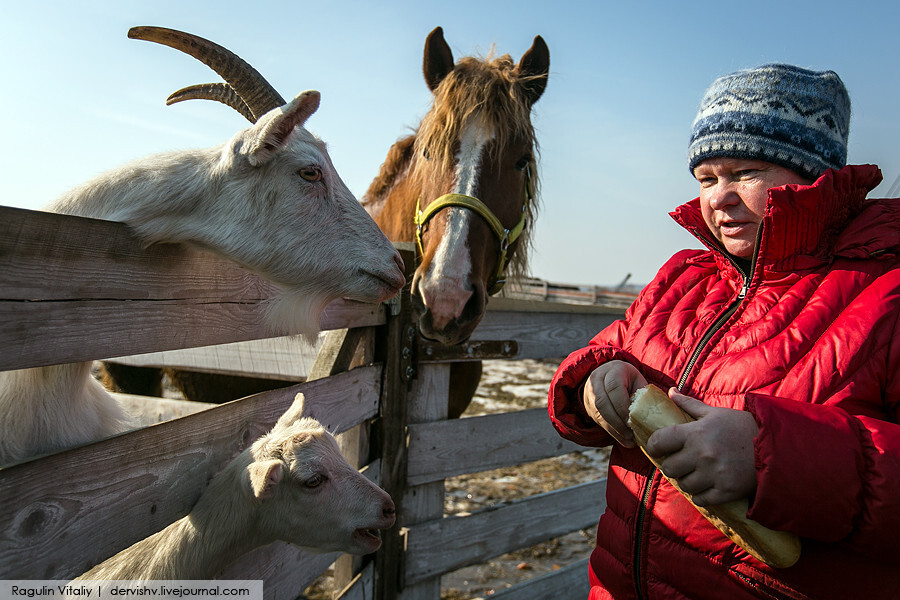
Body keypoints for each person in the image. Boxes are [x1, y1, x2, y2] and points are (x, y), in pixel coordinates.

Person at [548, 63, 900, 600]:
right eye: (707, 178)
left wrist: (772, 458)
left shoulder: (886, 291)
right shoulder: (682, 278)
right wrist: (594, 383)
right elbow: (600, 355)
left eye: (745, 173)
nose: (718, 198)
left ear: (813, 172)